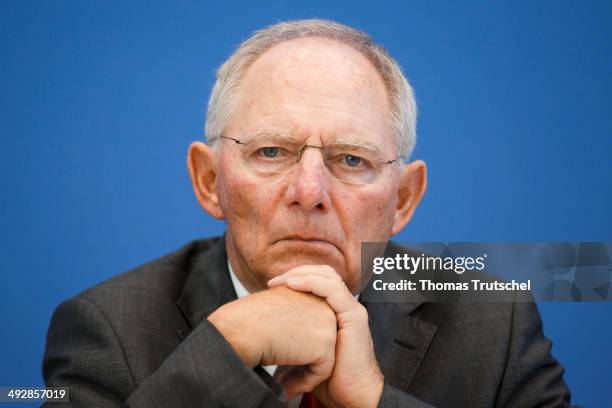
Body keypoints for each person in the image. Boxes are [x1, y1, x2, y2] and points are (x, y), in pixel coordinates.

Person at [42, 19, 576, 407]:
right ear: (210, 181)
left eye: (351, 159)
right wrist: (226, 350)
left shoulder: (494, 321)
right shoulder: (108, 326)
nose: (309, 191)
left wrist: (372, 401)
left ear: (404, 200)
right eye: (271, 152)